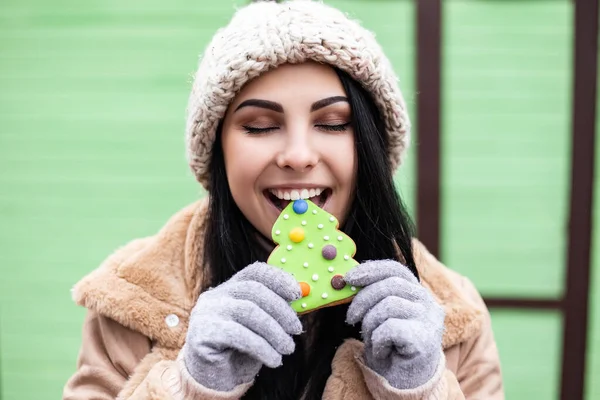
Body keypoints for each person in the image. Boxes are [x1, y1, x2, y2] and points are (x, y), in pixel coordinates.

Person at [63, 1, 504, 399]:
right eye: (258, 126)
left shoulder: (453, 311)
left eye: (332, 123)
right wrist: (192, 385)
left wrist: (419, 390)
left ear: (370, 147)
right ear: (218, 152)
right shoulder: (129, 297)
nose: (297, 156)